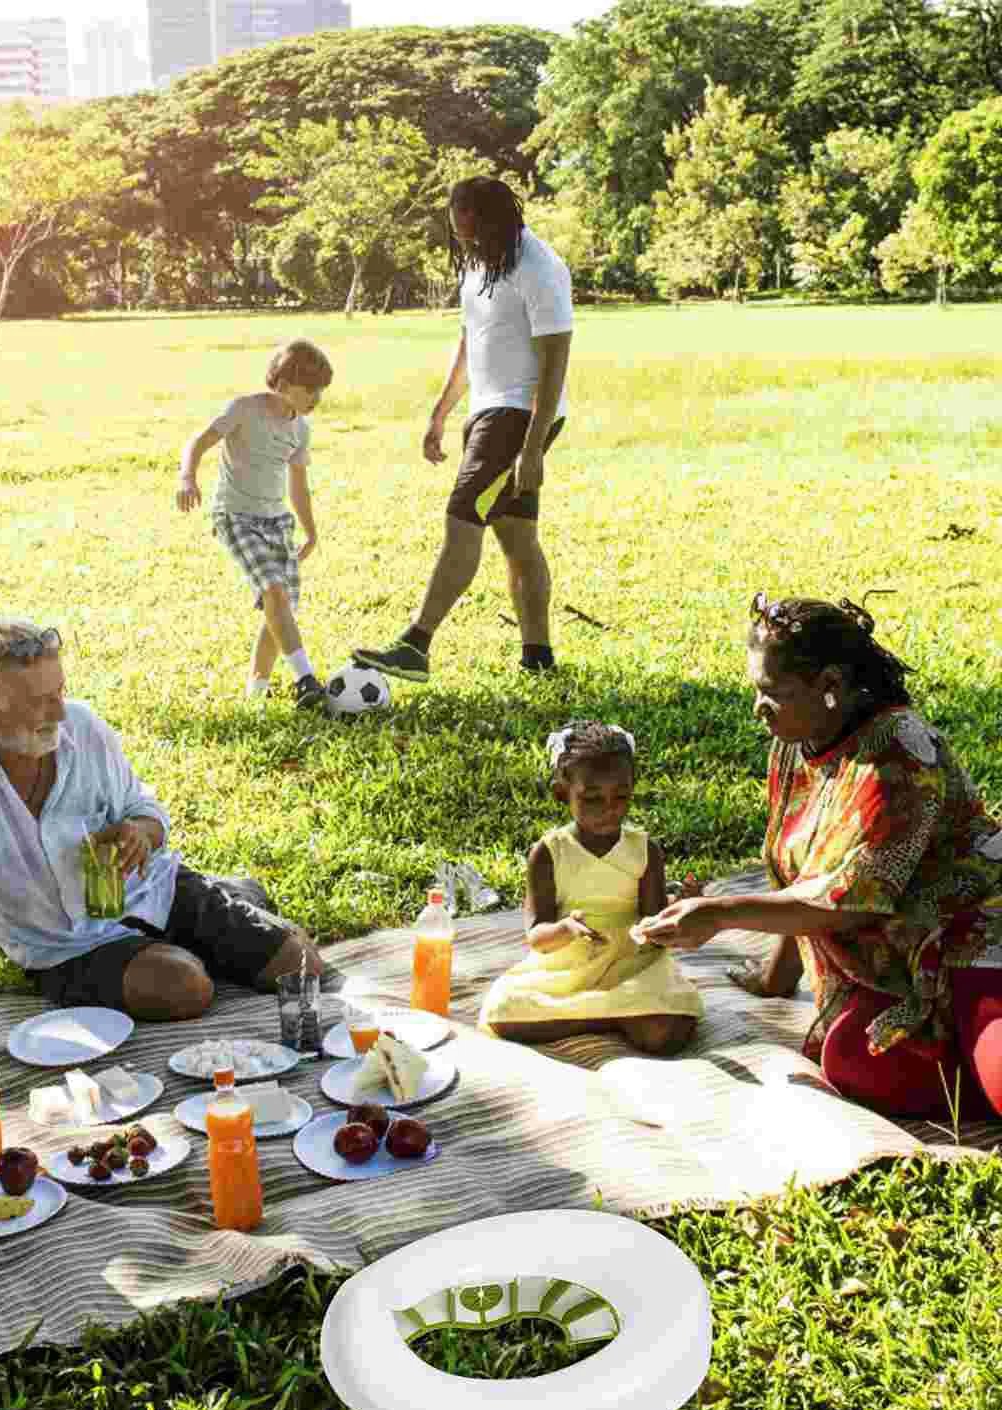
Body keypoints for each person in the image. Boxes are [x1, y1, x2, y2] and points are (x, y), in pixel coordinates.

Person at [0, 620, 325, 1077]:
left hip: (151, 889)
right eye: (37, 701)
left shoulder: (82, 727)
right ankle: (223, 915)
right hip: (65, 943)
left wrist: (138, 831)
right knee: (187, 988)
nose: (60, 712)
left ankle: (230, 901)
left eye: (60, 692)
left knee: (304, 967)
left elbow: (145, 808)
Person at [635, 596, 1002, 1119]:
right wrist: (775, 977)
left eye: (771, 693)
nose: (757, 708)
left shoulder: (897, 754)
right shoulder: (797, 742)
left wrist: (721, 914)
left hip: (977, 933)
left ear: (830, 685)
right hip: (904, 962)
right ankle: (968, 1061)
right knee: (850, 1059)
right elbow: (802, 873)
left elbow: (853, 901)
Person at [354, 176, 573, 681]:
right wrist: (442, 410)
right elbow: (470, 340)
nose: (466, 244)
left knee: (462, 517)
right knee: (516, 536)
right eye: (459, 236)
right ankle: (538, 658)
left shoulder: (540, 269)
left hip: (520, 414)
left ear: (499, 221)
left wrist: (534, 446)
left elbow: (555, 359)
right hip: (488, 410)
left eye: (473, 234)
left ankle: (416, 643)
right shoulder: (481, 263)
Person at [480, 721, 702, 1055]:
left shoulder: (645, 850)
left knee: (669, 1029)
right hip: (568, 967)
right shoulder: (549, 853)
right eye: (592, 798)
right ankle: (615, 1016)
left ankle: (593, 1013)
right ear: (562, 793)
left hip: (632, 964)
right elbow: (538, 937)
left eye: (621, 796)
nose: (609, 808)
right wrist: (566, 929)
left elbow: (655, 928)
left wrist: (680, 909)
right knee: (502, 1011)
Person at [176, 338, 334, 711]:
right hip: (236, 517)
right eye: (311, 389)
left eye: (321, 391)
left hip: (277, 522)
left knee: (278, 611)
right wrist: (187, 476)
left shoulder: (301, 430)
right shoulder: (244, 409)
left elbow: (299, 485)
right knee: (274, 593)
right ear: (282, 384)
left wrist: (310, 530)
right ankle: (306, 680)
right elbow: (198, 441)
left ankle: (256, 694)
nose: (317, 398)